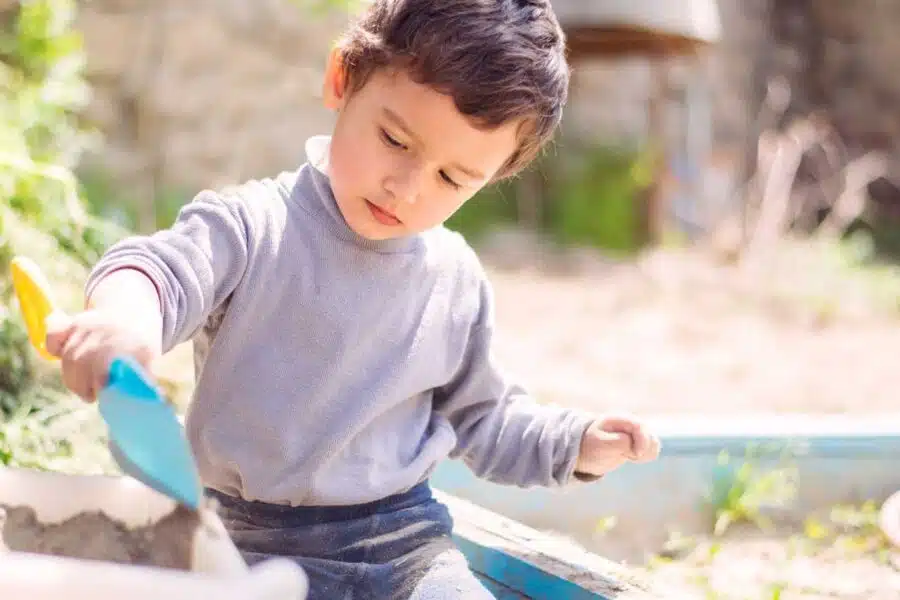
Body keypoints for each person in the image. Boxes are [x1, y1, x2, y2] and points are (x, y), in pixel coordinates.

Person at [45, 0, 660, 597]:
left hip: (400, 546)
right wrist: (125, 319)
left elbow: (487, 419)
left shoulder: (454, 281)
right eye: (395, 140)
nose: (408, 187)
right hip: (236, 540)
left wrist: (576, 444)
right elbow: (158, 270)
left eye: (452, 179)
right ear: (343, 79)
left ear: (492, 178)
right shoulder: (255, 226)